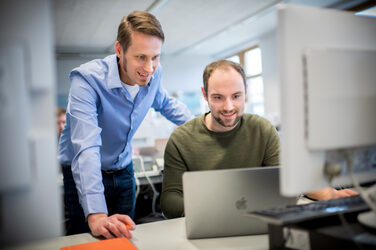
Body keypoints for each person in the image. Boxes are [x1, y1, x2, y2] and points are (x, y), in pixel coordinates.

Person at [160, 59, 357, 219]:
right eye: (218, 97)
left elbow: (283, 181)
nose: (229, 107)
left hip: (257, 220)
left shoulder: (262, 129)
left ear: (246, 91)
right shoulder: (181, 139)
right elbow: (170, 201)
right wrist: (221, 210)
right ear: (205, 94)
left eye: (236, 96)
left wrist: (329, 194)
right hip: (207, 223)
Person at [58, 11, 193, 238]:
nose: (149, 68)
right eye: (140, 57)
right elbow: (86, 147)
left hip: (123, 171)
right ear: (119, 50)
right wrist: (97, 215)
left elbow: (164, 103)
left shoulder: (153, 73)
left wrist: (202, 124)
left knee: (123, 237)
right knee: (88, 238)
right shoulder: (87, 81)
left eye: (155, 57)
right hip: (83, 171)